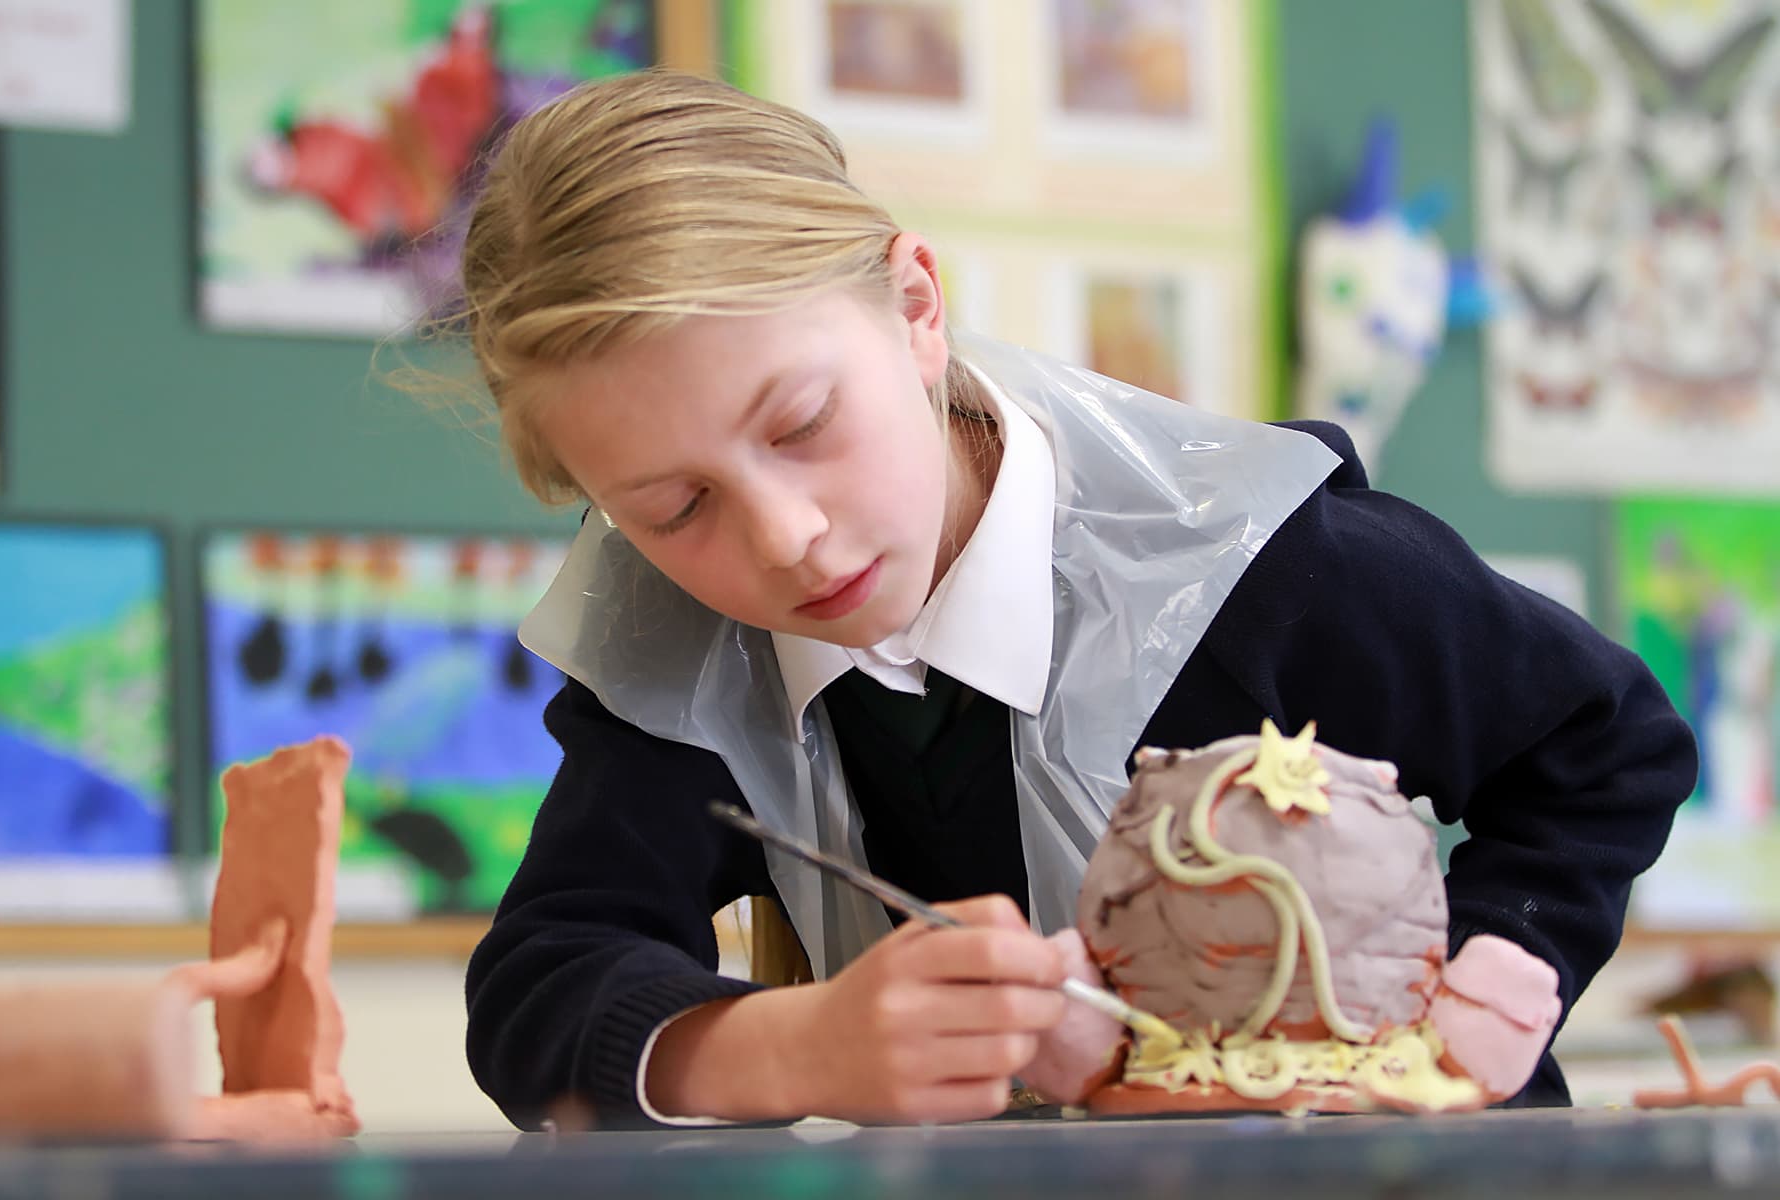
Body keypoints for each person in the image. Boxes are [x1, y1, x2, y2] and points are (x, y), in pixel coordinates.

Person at [442, 69, 1696, 1129]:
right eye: (672, 510)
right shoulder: (690, 659)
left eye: (806, 423)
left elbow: (1605, 742)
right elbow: (540, 986)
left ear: (917, 309)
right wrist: (795, 1050)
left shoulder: (1260, 562)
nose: (786, 541)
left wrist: (1482, 972)